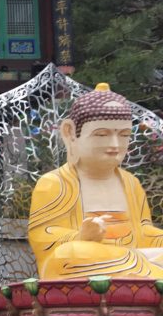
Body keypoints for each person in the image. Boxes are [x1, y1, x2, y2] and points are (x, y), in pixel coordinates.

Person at [28, 83, 163, 280]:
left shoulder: (131, 183)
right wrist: (81, 236)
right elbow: (41, 236)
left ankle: (140, 269)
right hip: (85, 261)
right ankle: (146, 271)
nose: (115, 145)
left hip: (129, 258)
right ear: (71, 133)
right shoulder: (54, 183)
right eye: (101, 134)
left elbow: (143, 232)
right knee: (69, 254)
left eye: (124, 135)